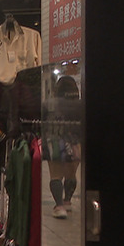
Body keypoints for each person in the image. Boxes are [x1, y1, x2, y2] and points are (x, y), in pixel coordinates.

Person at [42, 75, 82, 219]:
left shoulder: (48, 104)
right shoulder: (80, 104)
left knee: (56, 174)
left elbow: (43, 123)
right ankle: (67, 201)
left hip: (55, 142)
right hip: (76, 142)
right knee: (71, 174)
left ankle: (59, 206)